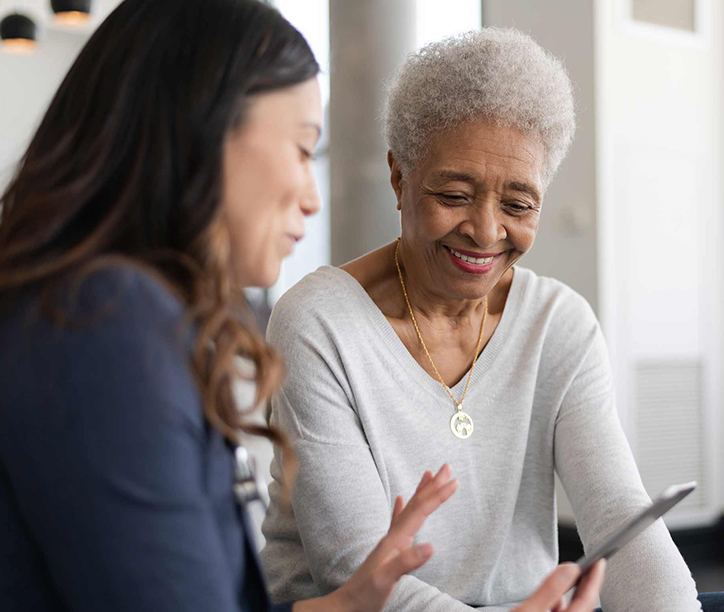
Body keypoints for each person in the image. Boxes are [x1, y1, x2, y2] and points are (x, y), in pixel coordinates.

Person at [0, 2, 608, 612]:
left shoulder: (117, 313)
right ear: (201, 140)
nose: (314, 198)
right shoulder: (107, 325)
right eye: (300, 149)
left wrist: (349, 603)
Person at [260, 28, 719, 612]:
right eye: (453, 194)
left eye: (518, 205)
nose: (485, 230)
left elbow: (620, 518)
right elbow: (355, 571)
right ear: (400, 177)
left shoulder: (559, 325)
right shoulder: (318, 323)